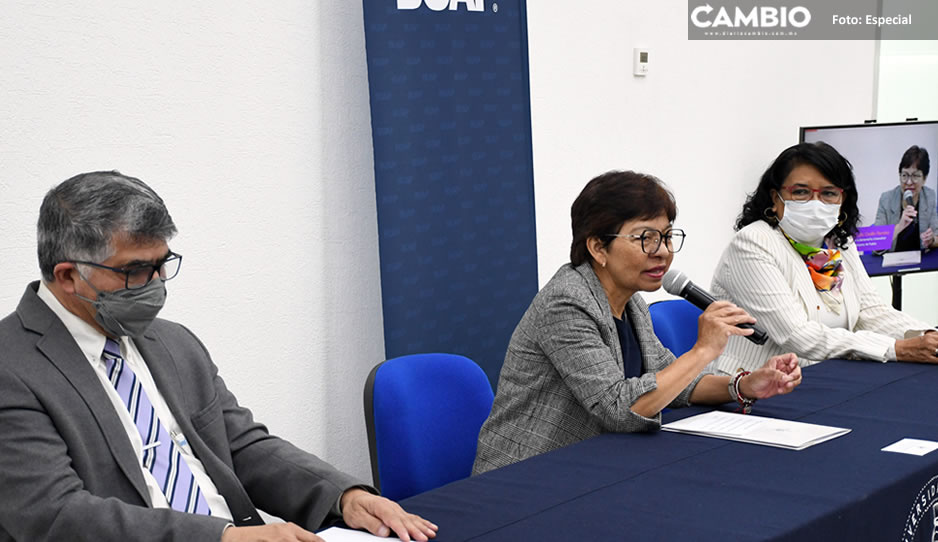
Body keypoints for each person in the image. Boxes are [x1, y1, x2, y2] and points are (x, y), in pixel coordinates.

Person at [0, 172, 438, 542]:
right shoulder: (11, 366)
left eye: (162, 263)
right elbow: (53, 515)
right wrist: (222, 538)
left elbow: (242, 446)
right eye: (135, 271)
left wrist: (343, 496)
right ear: (68, 276)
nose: (156, 285)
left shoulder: (172, 342)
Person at [472, 171, 802, 475]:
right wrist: (702, 350)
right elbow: (619, 408)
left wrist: (742, 385)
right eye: (646, 238)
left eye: (668, 236)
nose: (662, 252)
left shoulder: (631, 302)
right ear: (598, 247)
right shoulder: (566, 303)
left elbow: (676, 385)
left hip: (594, 465)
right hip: (526, 476)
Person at [710, 142, 938, 376]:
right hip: (749, 387)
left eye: (828, 193)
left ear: (842, 201)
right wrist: (896, 349)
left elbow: (870, 312)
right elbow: (796, 335)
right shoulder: (753, 244)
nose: (815, 203)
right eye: (800, 192)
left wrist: (926, 336)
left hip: (823, 378)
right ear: (775, 198)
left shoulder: (837, 243)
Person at [874, 145, 938, 251]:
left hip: (921, 260)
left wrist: (932, 240)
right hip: (893, 260)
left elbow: (936, 236)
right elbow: (876, 243)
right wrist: (900, 226)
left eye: (915, 176)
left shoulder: (930, 197)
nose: (908, 182)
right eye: (904, 175)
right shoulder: (886, 199)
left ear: (924, 179)